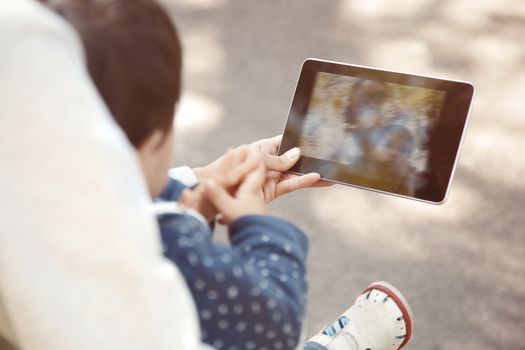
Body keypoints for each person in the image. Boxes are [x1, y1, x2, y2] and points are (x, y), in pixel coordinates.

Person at [0, 1, 413, 350]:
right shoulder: (170, 256)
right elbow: (272, 326)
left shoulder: (27, 204)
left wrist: (198, 189)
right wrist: (257, 227)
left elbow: (130, 201)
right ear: (152, 142)